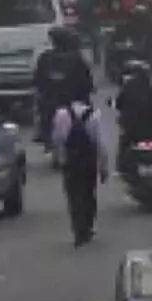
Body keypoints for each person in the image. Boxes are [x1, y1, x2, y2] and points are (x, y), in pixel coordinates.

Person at [51, 98, 107, 246]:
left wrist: (58, 158)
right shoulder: (94, 115)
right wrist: (103, 167)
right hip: (88, 162)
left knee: (73, 195)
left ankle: (78, 228)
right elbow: (99, 143)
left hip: (70, 162)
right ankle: (87, 226)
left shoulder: (61, 114)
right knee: (89, 193)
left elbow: (57, 139)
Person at [33, 26, 93, 144]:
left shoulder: (45, 57)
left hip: (55, 103)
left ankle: (44, 135)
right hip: (71, 102)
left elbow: (37, 81)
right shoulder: (77, 58)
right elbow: (87, 82)